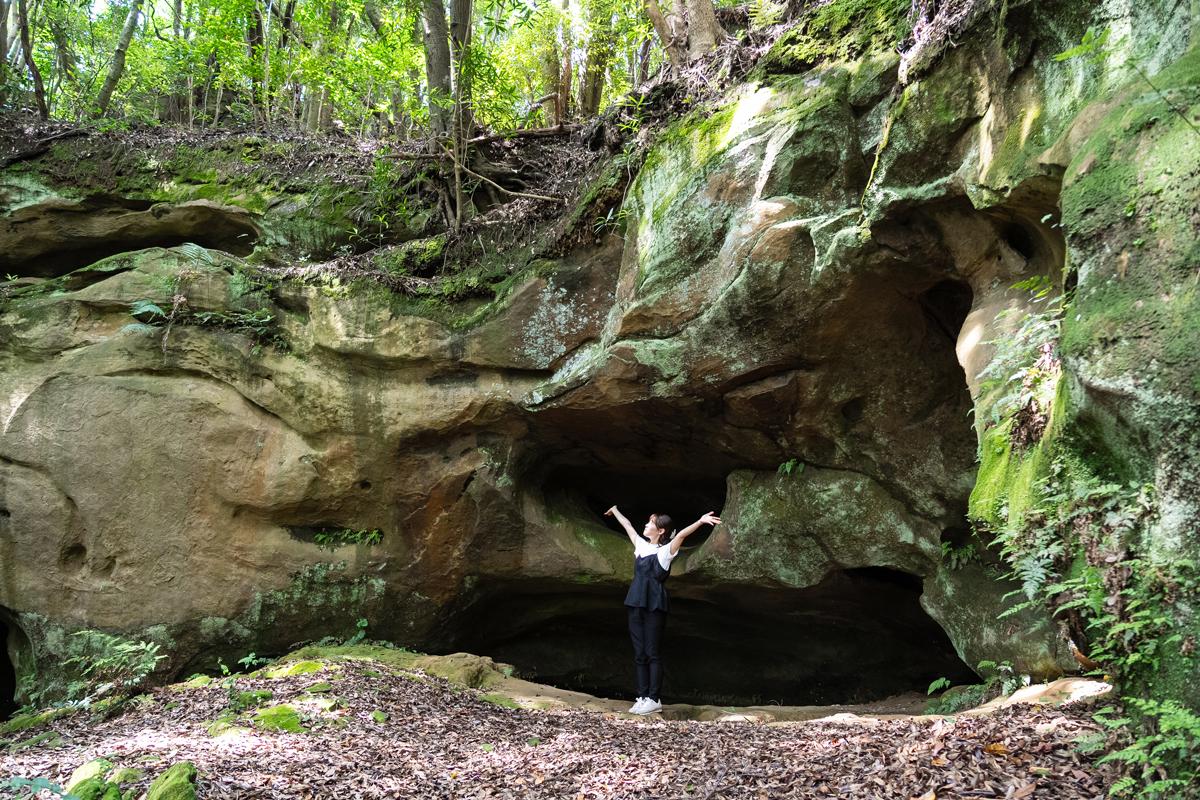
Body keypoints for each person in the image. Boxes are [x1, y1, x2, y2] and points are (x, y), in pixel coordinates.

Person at [604, 505, 721, 715]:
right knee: (639, 653)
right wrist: (616, 511)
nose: (646, 525)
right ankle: (641, 696)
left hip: (655, 605)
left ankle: (654, 698)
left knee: (652, 652)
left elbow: (683, 534)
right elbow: (627, 525)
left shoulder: (665, 552)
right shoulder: (640, 546)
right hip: (635, 602)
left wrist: (701, 521)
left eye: (651, 523)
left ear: (660, 531)